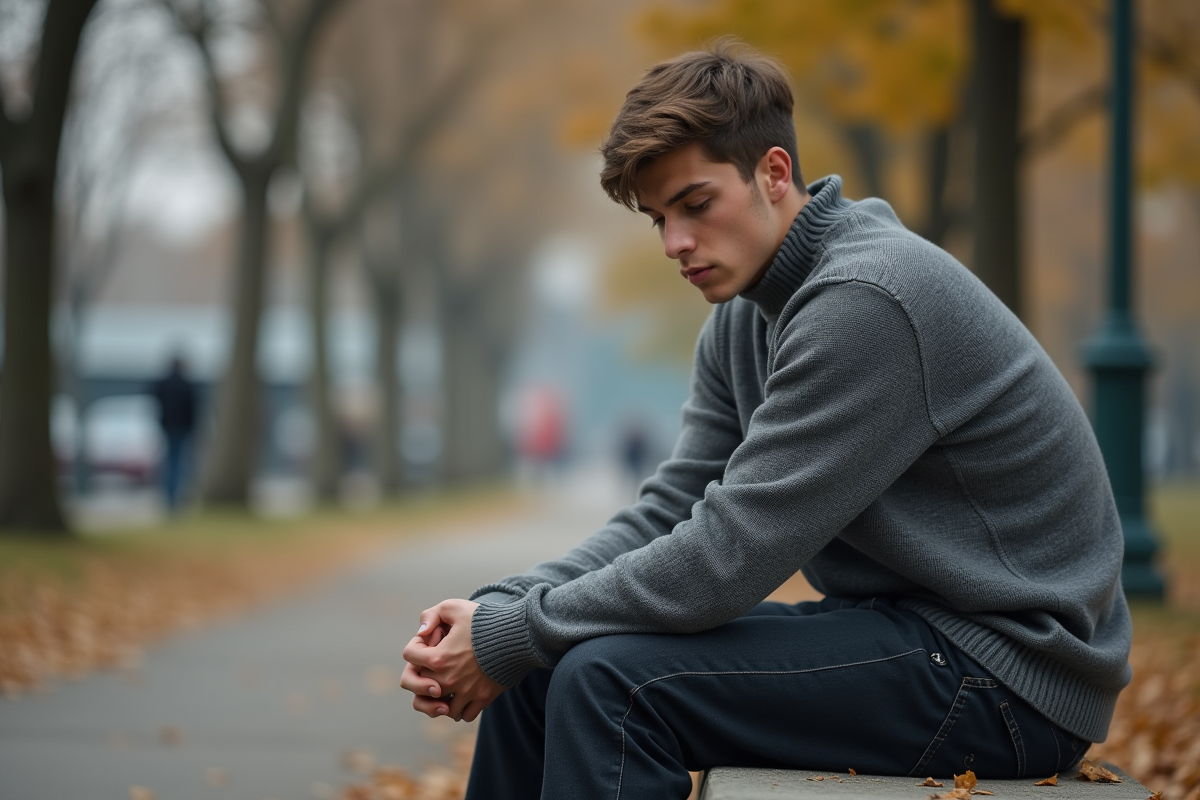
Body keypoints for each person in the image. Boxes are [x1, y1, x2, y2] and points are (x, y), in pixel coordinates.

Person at [401, 41, 1131, 798]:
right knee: (543, 667)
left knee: (609, 683)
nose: (676, 244)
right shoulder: (744, 317)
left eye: (695, 205)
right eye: (658, 219)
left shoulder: (868, 301)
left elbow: (727, 557)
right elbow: (672, 509)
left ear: (775, 173)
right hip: (906, 634)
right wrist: (505, 608)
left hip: (1010, 675)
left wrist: (515, 630)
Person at [150, 355, 198, 512]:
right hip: (182, 428)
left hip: (167, 426)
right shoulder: (186, 384)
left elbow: (156, 401)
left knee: (169, 461)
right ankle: (174, 497)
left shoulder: (163, 383)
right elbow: (193, 407)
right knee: (178, 463)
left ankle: (168, 496)